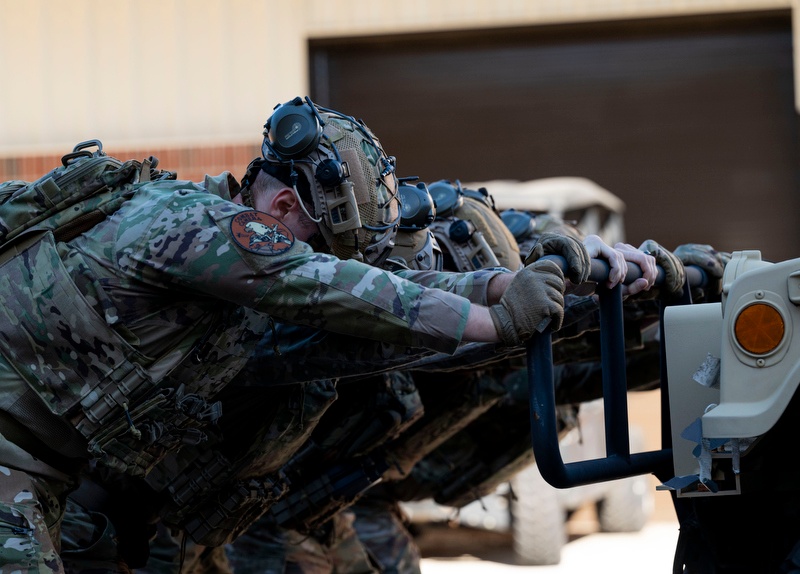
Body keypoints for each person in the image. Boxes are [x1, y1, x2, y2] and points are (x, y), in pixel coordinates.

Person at [0, 96, 580, 573]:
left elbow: (369, 291)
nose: (322, 261)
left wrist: (500, 288)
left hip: (46, 477)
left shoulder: (227, 277)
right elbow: (326, 285)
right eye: (320, 247)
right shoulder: (194, 226)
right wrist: (491, 321)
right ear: (279, 204)